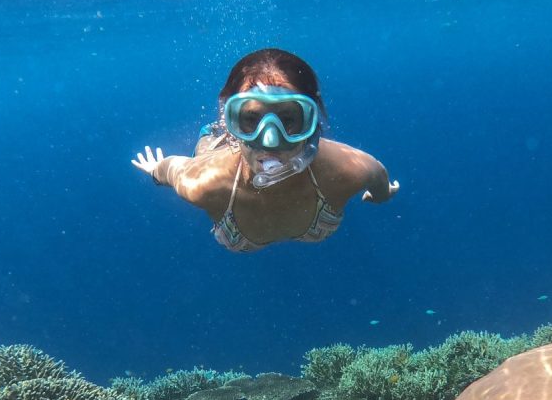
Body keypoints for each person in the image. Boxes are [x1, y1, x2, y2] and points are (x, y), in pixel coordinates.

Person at [132, 48, 398, 252]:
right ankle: (217, 132)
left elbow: (378, 177)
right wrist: (156, 170)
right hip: (220, 153)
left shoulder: (348, 170)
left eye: (289, 120)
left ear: (313, 121)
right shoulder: (205, 183)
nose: (270, 141)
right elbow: (174, 170)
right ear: (230, 119)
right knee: (207, 147)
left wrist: (382, 195)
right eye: (250, 118)